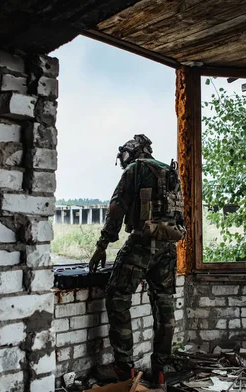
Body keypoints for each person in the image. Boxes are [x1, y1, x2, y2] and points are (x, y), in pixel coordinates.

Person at [89, 134, 186, 387]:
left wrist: (102, 245)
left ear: (132, 153)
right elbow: (180, 215)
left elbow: (117, 208)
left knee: (118, 295)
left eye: (123, 156)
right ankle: (160, 370)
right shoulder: (170, 171)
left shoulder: (135, 169)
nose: (122, 161)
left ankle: (123, 368)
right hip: (167, 248)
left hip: (142, 244)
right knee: (164, 307)